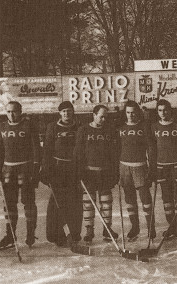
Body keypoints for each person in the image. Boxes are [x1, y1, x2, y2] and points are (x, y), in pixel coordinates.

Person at [0, 101, 41, 249]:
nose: (11, 114)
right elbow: (0, 151)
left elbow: (36, 149)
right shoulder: (1, 127)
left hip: (25, 169)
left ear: (20, 111)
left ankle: (30, 233)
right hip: (8, 170)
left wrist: (35, 169)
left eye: (14, 111)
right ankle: (10, 236)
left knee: (28, 202)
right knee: (9, 205)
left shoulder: (28, 125)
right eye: (8, 111)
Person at [74, 105, 119, 243]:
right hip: (89, 172)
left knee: (106, 202)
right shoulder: (83, 130)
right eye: (101, 116)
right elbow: (78, 152)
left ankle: (107, 229)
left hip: (105, 172)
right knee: (88, 202)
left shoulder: (110, 130)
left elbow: (114, 152)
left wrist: (115, 171)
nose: (104, 119)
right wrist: (79, 170)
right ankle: (89, 230)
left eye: (106, 116)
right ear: (94, 115)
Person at [41, 101, 82, 246]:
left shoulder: (79, 126)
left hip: (74, 168)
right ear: (60, 113)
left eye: (69, 111)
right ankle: (56, 234)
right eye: (64, 111)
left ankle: (74, 234)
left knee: (75, 201)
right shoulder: (52, 127)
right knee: (58, 202)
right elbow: (47, 150)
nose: (66, 114)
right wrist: (45, 169)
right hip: (58, 168)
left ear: (73, 112)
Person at [117, 100, 155, 241]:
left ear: (137, 112)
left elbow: (151, 148)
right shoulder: (120, 128)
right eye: (128, 112)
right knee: (129, 199)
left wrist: (152, 167)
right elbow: (116, 149)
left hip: (140, 166)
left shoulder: (144, 127)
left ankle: (151, 227)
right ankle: (135, 227)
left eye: (133, 112)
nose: (130, 115)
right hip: (124, 166)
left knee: (145, 197)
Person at [151, 99, 177, 239]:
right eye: (160, 110)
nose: (163, 113)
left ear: (170, 110)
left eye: (165, 109)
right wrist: (152, 168)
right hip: (161, 166)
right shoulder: (154, 126)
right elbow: (152, 148)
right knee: (166, 197)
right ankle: (171, 225)